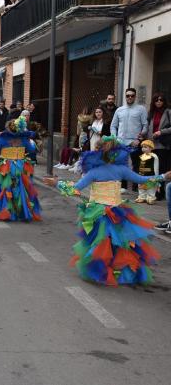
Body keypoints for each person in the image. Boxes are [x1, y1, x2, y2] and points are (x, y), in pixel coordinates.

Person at [56, 137, 171, 286]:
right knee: (121, 242)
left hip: (98, 213)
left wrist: (57, 183)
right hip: (118, 212)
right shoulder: (121, 169)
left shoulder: (94, 172)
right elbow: (142, 180)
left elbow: (74, 189)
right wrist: (163, 176)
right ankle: (119, 269)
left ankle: (103, 270)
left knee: (101, 243)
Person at [0, 115, 41, 222]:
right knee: (22, 188)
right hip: (21, 166)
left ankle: (8, 211)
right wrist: (32, 142)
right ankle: (22, 212)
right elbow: (32, 150)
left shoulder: (3, 138)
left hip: (7, 167)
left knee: (7, 188)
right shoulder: (24, 139)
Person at [111, 88, 148, 190]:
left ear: (135, 97)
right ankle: (123, 187)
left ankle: (136, 188)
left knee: (136, 165)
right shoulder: (119, 110)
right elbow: (113, 126)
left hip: (134, 142)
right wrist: (115, 138)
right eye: (128, 95)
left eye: (132, 95)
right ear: (125, 96)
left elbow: (145, 125)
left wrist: (139, 138)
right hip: (121, 142)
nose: (130, 97)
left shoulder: (141, 109)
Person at [147, 93, 171, 200]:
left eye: (161, 100)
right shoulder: (151, 113)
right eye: (157, 100)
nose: (159, 102)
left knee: (161, 169)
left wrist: (161, 132)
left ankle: (160, 193)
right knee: (153, 168)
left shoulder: (168, 112)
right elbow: (147, 126)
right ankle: (152, 191)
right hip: (152, 144)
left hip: (163, 145)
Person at [135, 140, 159, 204]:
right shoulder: (142, 156)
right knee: (141, 187)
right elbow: (140, 165)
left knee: (150, 187)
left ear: (151, 148)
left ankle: (151, 197)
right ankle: (142, 197)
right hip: (142, 174)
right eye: (142, 147)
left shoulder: (154, 156)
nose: (143, 148)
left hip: (150, 174)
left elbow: (155, 167)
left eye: (145, 147)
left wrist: (156, 176)